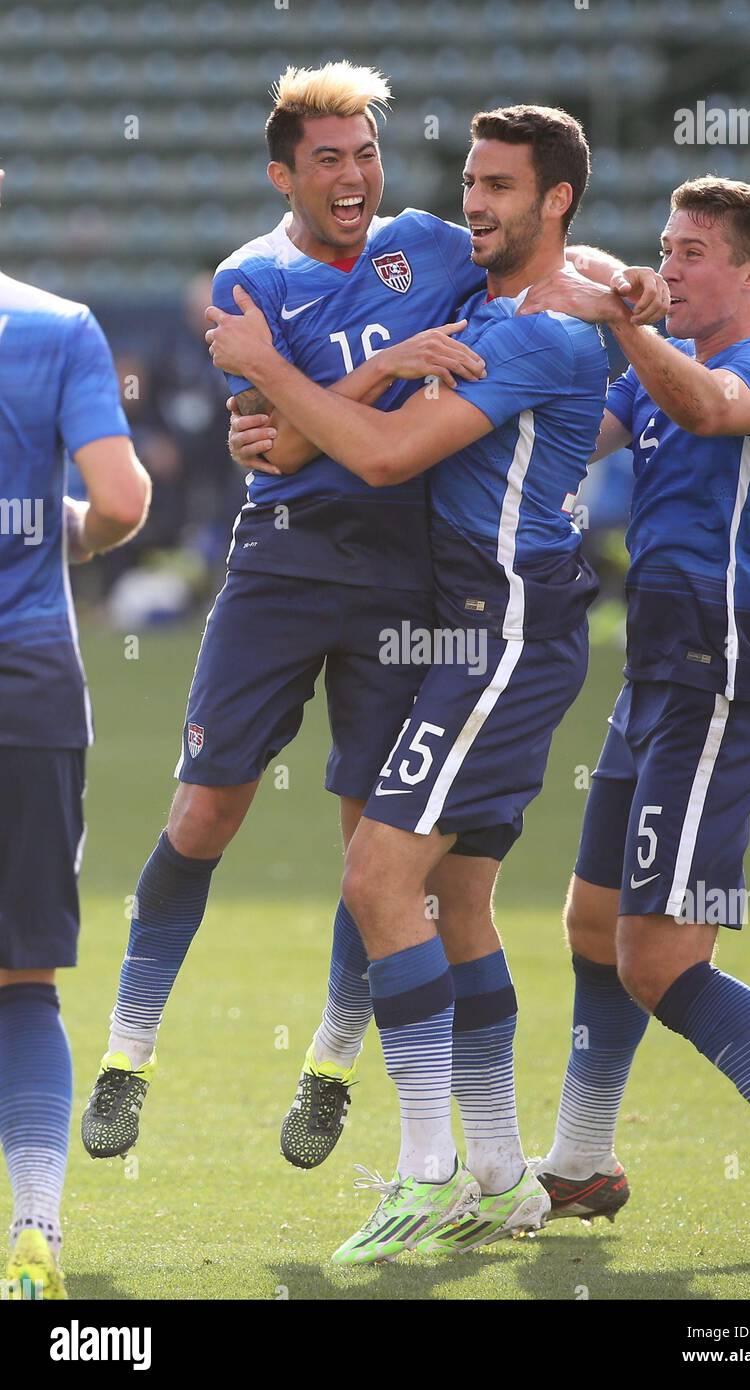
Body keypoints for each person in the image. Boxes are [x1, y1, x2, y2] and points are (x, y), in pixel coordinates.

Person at [207, 104, 612, 1264]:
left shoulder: (537, 331)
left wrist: (265, 366)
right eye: (471, 180)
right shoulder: (491, 306)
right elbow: (316, 443)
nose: (474, 202)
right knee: (460, 902)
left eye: (501, 186)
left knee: (381, 877)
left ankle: (428, 1173)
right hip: (476, 627)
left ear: (557, 203)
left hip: (505, 626)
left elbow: (381, 454)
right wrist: (276, 425)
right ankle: (501, 1174)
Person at [517, 176, 750, 1256]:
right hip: (654, 680)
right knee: (592, 925)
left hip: (720, 677)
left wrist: (622, 319)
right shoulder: (659, 368)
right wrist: (547, 304)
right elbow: (578, 435)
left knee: (661, 959)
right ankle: (579, 1164)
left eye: (694, 251)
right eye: (665, 247)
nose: (669, 265)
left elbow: (705, 409)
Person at [0, 170, 151, 1298]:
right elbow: (125, 497)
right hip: (29, 691)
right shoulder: (59, 328)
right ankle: (35, 1227)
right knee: (23, 984)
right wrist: (71, 533)